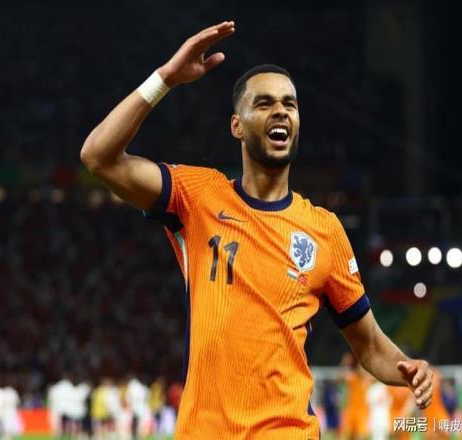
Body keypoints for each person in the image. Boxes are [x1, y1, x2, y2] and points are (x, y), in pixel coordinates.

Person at [81, 20, 433, 439]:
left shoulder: (324, 230)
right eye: (264, 103)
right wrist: (166, 79)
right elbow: (98, 156)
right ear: (237, 126)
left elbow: (370, 345)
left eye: (290, 104)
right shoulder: (198, 196)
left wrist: (409, 368)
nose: (280, 110)